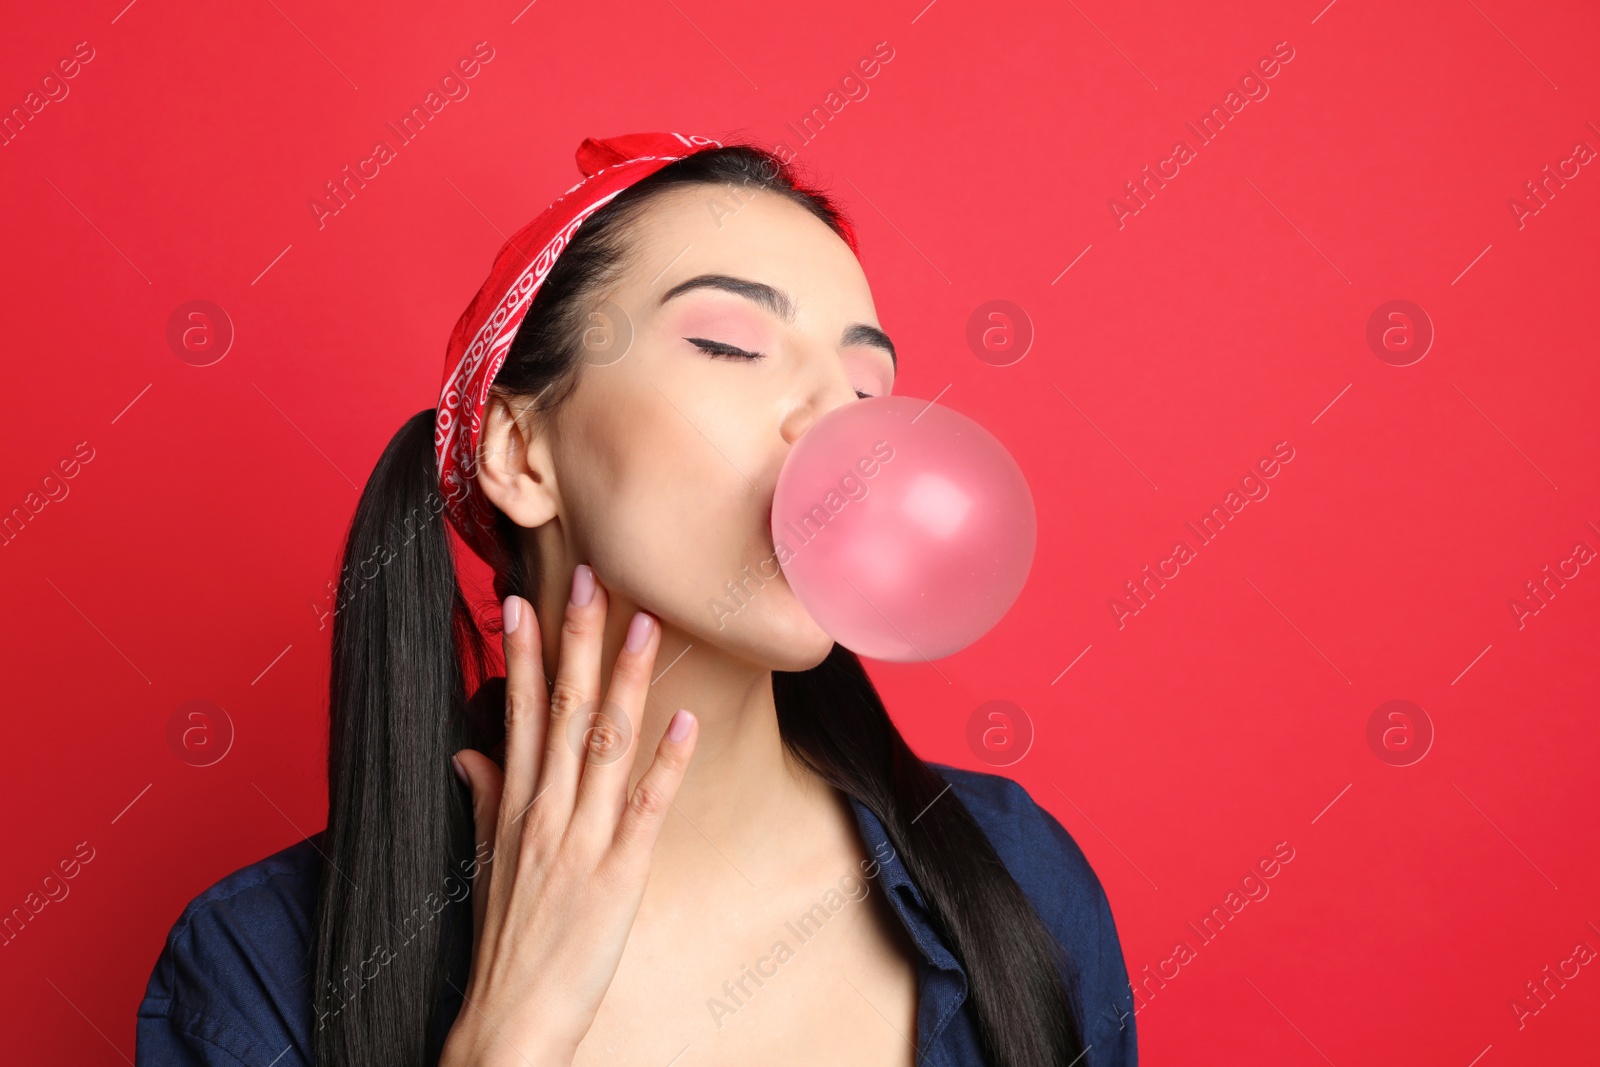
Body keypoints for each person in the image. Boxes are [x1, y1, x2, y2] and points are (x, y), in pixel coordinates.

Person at [135, 132, 1138, 1067]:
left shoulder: (1015, 880)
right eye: (731, 346)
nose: (841, 427)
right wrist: (504, 1036)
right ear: (522, 451)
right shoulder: (256, 967)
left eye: (868, 389)